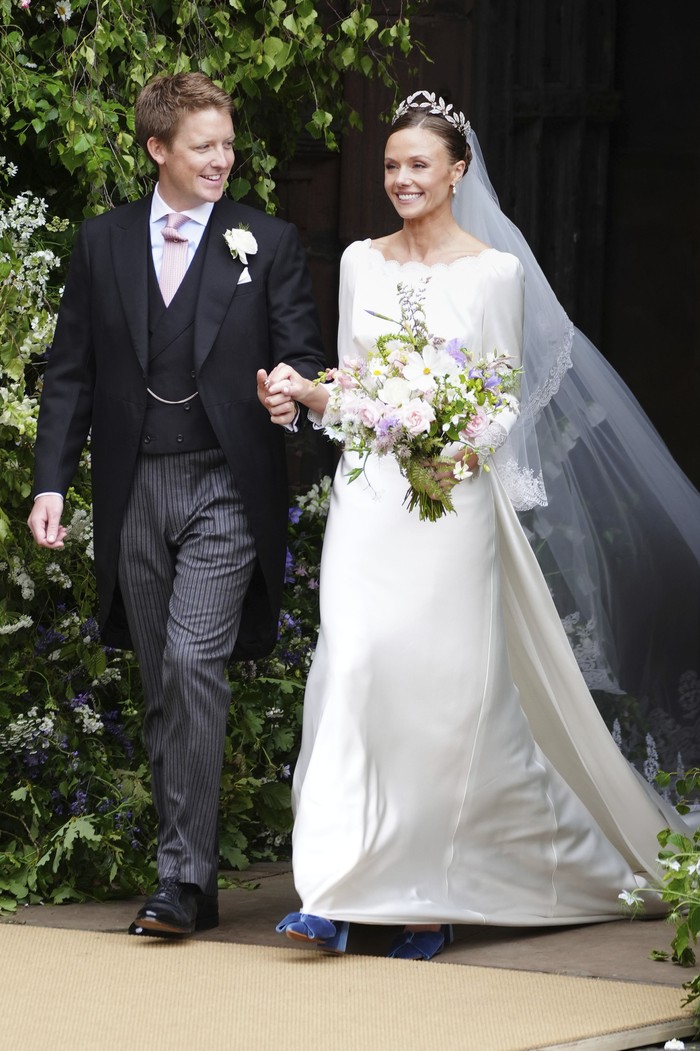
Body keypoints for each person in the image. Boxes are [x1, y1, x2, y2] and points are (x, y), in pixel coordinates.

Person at [258, 90, 699, 959]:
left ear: (457, 172)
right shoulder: (358, 261)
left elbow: (500, 401)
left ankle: (432, 895)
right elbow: (350, 382)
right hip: (370, 496)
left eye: (419, 164)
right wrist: (306, 393)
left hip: (450, 502)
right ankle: (332, 887)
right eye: (391, 165)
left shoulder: (496, 273)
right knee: (350, 669)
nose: (402, 179)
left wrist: (456, 457)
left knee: (443, 697)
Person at [27, 72, 326, 939]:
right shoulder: (103, 241)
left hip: (227, 484)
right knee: (163, 679)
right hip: (134, 487)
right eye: (204, 146)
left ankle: (182, 880)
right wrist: (52, 482)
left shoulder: (266, 241)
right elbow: (71, 373)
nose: (222, 160)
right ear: (158, 148)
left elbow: (305, 357)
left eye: (227, 144)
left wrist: (289, 392)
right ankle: (188, 874)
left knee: (195, 659)